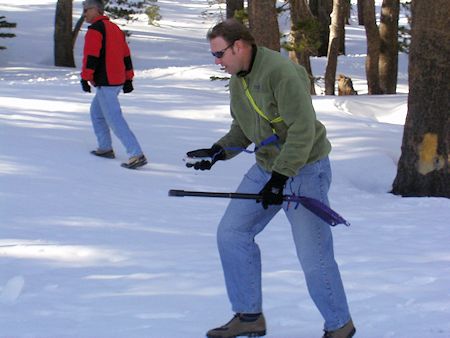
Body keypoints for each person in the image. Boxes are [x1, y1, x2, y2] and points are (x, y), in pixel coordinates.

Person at [185, 19, 355, 338]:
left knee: (313, 256)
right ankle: (249, 316)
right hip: (267, 167)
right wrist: (218, 151)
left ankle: (340, 326)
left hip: (305, 169)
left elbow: (303, 131)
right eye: (214, 56)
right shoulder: (238, 78)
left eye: (219, 54)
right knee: (232, 232)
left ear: (239, 46)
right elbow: (243, 128)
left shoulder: (281, 72)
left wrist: (280, 180)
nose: (217, 62)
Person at [80, 0, 147, 169]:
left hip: (106, 81)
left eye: (86, 10)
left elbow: (91, 56)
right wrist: (128, 78)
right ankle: (105, 148)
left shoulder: (96, 29)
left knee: (114, 118)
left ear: (96, 10)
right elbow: (126, 55)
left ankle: (136, 154)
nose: (84, 14)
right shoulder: (115, 29)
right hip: (115, 81)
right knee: (97, 113)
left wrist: (85, 77)